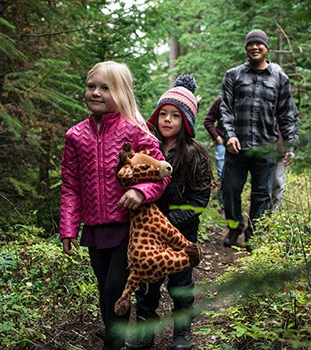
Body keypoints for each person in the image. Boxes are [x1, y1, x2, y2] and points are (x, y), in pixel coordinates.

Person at [59, 61, 170, 350]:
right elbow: (70, 186)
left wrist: (141, 192)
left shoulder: (134, 132)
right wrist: (68, 228)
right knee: (105, 291)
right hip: (96, 228)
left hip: (129, 226)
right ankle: (116, 338)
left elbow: (161, 172)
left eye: (105, 88)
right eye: (91, 86)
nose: (95, 92)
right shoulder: (75, 136)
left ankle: (113, 344)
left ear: (120, 92)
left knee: (114, 287)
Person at [124, 75, 213, 350]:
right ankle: (145, 332)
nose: (167, 120)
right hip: (148, 234)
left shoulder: (195, 154)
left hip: (180, 234)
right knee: (146, 283)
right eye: (163, 113)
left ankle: (182, 334)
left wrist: (169, 222)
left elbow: (199, 199)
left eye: (175, 115)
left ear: (185, 121)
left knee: (181, 283)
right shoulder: (148, 149)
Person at [220, 29, 299, 251]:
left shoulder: (279, 78)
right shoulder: (233, 75)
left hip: (266, 147)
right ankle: (235, 228)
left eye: (259, 44)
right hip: (237, 147)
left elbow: (287, 113)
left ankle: (253, 234)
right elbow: (225, 109)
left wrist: (290, 145)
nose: (255, 47)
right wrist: (230, 134)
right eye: (250, 44)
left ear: (266, 48)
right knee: (230, 190)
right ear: (246, 48)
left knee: (262, 194)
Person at [204, 95, 225, 207]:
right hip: (222, 143)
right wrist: (217, 137)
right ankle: (223, 206)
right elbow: (208, 121)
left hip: (239, 144)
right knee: (222, 175)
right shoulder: (220, 100)